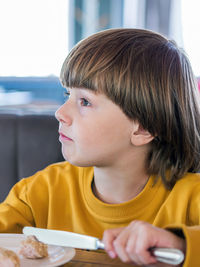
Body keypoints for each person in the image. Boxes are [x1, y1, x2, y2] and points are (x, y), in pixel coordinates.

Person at [0, 28, 200, 267]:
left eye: (84, 101)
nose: (60, 112)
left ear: (142, 129)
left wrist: (181, 245)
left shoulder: (192, 200)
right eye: (67, 95)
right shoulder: (37, 194)